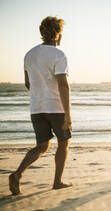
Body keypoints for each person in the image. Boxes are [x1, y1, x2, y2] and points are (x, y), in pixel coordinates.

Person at [9, 16, 72, 195]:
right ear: (57, 33)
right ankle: (57, 182)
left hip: (36, 108)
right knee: (63, 143)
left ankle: (17, 174)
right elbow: (63, 85)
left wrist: (40, 94)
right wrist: (67, 114)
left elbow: (28, 83)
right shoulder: (59, 54)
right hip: (56, 108)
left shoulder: (29, 54)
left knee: (41, 146)